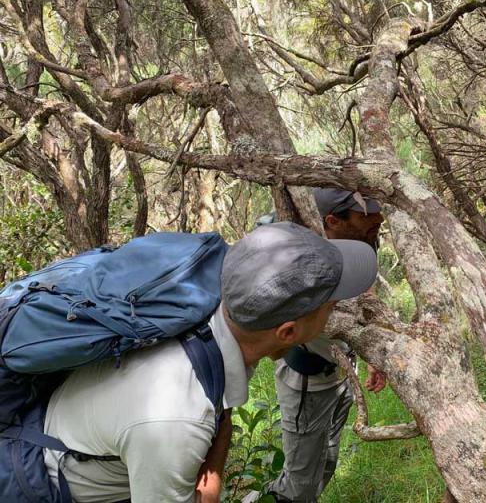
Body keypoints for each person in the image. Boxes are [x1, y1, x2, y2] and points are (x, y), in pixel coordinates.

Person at [42, 222, 378, 503]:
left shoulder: (217, 318)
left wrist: (214, 472)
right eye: (331, 306)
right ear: (287, 332)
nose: (336, 310)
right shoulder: (176, 420)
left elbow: (222, 407)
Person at [267, 188, 386, 503]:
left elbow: (365, 295)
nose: (378, 218)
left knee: (327, 461)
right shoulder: (300, 262)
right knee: (300, 482)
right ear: (333, 221)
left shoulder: (357, 243)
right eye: (365, 215)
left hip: (342, 372)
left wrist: (372, 353)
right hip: (308, 382)